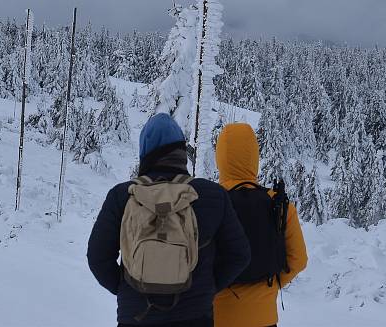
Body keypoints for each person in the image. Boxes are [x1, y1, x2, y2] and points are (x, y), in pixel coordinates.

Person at [87, 113, 251, 327]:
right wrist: (207, 288)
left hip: (137, 318)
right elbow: (239, 255)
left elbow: (98, 257)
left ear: (145, 153)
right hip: (195, 317)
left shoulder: (122, 195)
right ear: (181, 152)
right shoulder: (212, 195)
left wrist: (127, 287)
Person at [213, 123, 308, 327]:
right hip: (264, 318)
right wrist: (271, 285)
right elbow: (298, 260)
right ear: (254, 157)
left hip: (218, 317)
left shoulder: (210, 203)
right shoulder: (279, 205)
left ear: (220, 158)